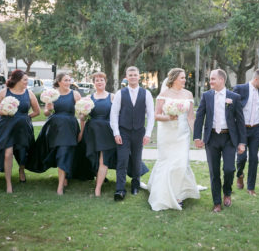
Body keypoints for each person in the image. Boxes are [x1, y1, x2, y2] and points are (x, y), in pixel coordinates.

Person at [77, 72, 149, 196]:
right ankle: (100, 179)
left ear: (105, 82)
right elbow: (82, 117)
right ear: (94, 83)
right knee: (94, 158)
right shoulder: (88, 98)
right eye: (96, 80)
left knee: (103, 160)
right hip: (93, 132)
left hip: (107, 131)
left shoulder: (112, 96)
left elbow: (119, 114)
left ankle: (98, 188)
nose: (99, 82)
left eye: (101, 80)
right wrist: (82, 113)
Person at [148, 68, 200, 211]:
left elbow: (190, 117)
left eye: (185, 77)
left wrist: (196, 136)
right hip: (167, 134)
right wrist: (168, 117)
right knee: (167, 163)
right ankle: (162, 191)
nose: (185, 80)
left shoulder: (188, 94)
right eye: (182, 78)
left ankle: (177, 194)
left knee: (181, 165)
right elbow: (156, 115)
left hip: (182, 135)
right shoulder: (164, 94)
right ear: (174, 79)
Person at [194, 69, 246, 212]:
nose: (210, 82)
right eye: (210, 79)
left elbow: (240, 121)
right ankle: (217, 202)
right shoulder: (206, 96)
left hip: (229, 138)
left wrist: (242, 142)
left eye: (213, 79)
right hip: (212, 138)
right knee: (214, 172)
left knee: (229, 169)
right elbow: (199, 117)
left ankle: (227, 193)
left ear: (222, 80)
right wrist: (197, 137)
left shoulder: (234, 97)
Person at [0, 70, 40, 193]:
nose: (27, 82)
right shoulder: (4, 92)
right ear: (17, 80)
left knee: (22, 152)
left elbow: (37, 112)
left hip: (22, 128)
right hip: (6, 127)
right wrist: (5, 112)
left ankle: (21, 169)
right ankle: (8, 183)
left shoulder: (29, 93)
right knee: (8, 153)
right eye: (25, 80)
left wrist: (26, 118)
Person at [26, 73, 81, 195]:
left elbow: (80, 112)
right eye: (65, 80)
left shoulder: (75, 94)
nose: (68, 82)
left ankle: (60, 186)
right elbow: (46, 113)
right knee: (58, 152)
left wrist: (84, 113)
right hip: (54, 127)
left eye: (69, 80)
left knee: (64, 151)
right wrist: (49, 108)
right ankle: (64, 176)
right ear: (59, 82)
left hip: (69, 127)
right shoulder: (52, 93)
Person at [110, 66, 154, 201]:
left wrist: (147, 134)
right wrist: (116, 133)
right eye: (130, 75)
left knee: (136, 159)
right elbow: (114, 114)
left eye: (135, 75)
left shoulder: (146, 93)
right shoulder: (120, 93)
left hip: (139, 131)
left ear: (139, 76)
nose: (133, 77)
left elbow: (151, 115)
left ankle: (135, 185)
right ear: (126, 77)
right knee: (122, 160)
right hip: (123, 131)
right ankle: (120, 189)